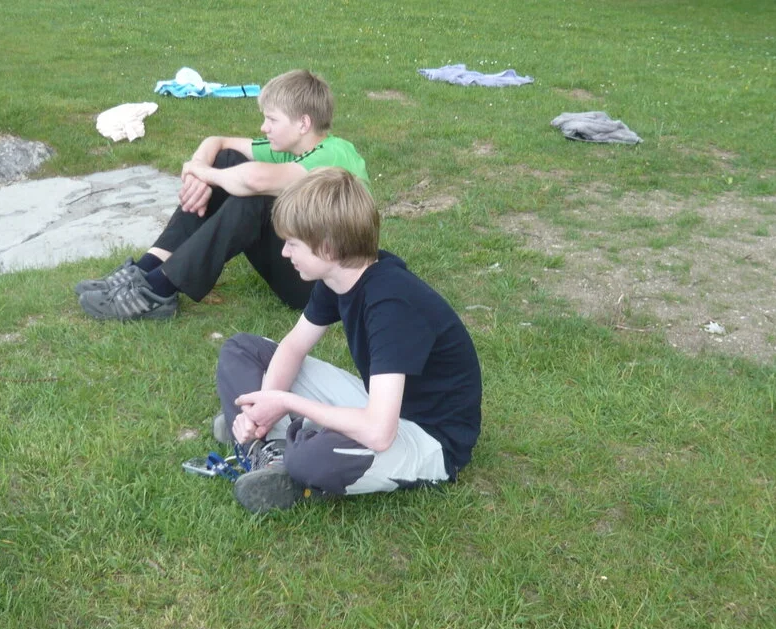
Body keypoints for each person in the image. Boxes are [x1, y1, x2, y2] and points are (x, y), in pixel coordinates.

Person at [214, 167, 482, 513]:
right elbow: (294, 346)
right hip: (382, 405)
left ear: (327, 248)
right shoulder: (339, 279)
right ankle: (267, 441)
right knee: (243, 350)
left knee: (314, 458)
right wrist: (268, 401)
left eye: (292, 243)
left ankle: (280, 447)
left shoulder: (391, 304)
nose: (284, 253)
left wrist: (285, 401)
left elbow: (379, 432)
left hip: (429, 439)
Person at [76, 70, 369, 320]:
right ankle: (147, 268)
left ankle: (159, 289)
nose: (263, 128)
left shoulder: (334, 153)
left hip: (327, 282)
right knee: (228, 160)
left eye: (272, 120)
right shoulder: (294, 149)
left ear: (303, 124)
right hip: (303, 263)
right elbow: (218, 142)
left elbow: (254, 181)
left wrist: (205, 175)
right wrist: (199, 168)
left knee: (256, 198)